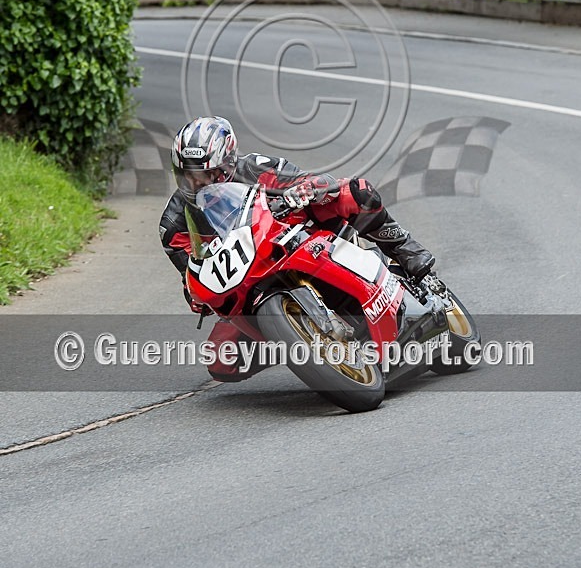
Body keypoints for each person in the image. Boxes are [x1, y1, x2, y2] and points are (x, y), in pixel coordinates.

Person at [160, 116, 437, 382]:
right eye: (188, 176)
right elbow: (192, 271)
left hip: (295, 240)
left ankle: (407, 251)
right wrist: (196, 295)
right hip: (247, 284)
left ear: (229, 163)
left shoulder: (256, 166)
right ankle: (297, 340)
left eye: (206, 174)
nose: (197, 184)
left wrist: (306, 189)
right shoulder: (173, 224)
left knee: (355, 193)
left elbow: (307, 180)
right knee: (222, 361)